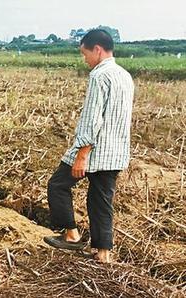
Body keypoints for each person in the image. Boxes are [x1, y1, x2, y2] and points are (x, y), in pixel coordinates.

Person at [43, 29, 135, 263]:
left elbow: (93, 118)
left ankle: (71, 234)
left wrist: (82, 153)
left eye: (85, 54)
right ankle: (103, 252)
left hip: (94, 151)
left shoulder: (99, 75)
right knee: (101, 200)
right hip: (116, 152)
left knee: (57, 185)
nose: (85, 59)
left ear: (97, 49)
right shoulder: (125, 75)